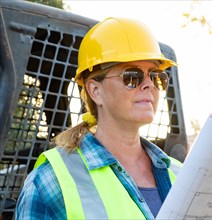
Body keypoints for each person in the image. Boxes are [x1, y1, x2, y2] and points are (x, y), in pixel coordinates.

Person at [15, 17, 182, 219]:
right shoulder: (51, 182)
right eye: (132, 77)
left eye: (156, 76)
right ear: (95, 90)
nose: (149, 85)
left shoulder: (182, 175)